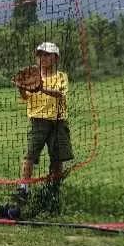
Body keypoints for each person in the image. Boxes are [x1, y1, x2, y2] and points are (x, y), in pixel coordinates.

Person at [14, 42, 73, 202]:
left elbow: (59, 94)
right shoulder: (32, 76)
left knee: (57, 157)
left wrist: (40, 88)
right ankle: (24, 188)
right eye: (40, 55)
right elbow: (26, 97)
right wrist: (20, 87)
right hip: (37, 121)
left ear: (55, 57)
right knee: (30, 154)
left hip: (58, 121)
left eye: (47, 55)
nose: (43, 58)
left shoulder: (61, 76)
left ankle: (53, 188)